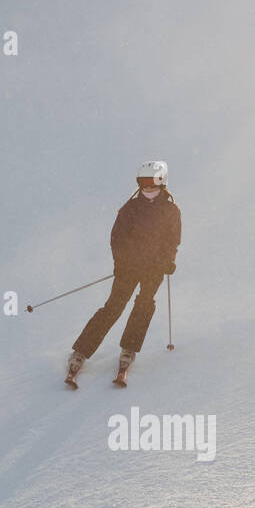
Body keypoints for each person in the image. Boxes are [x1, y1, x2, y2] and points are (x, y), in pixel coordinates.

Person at [66, 161, 181, 388]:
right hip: (129, 267)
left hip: (154, 269)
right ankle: (81, 351)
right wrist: (121, 263)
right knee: (114, 306)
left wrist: (168, 261)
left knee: (144, 303)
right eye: (142, 183)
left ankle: (129, 349)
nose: (147, 188)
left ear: (162, 181)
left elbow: (173, 240)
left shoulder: (171, 211)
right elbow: (117, 239)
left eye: (151, 183)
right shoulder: (130, 208)